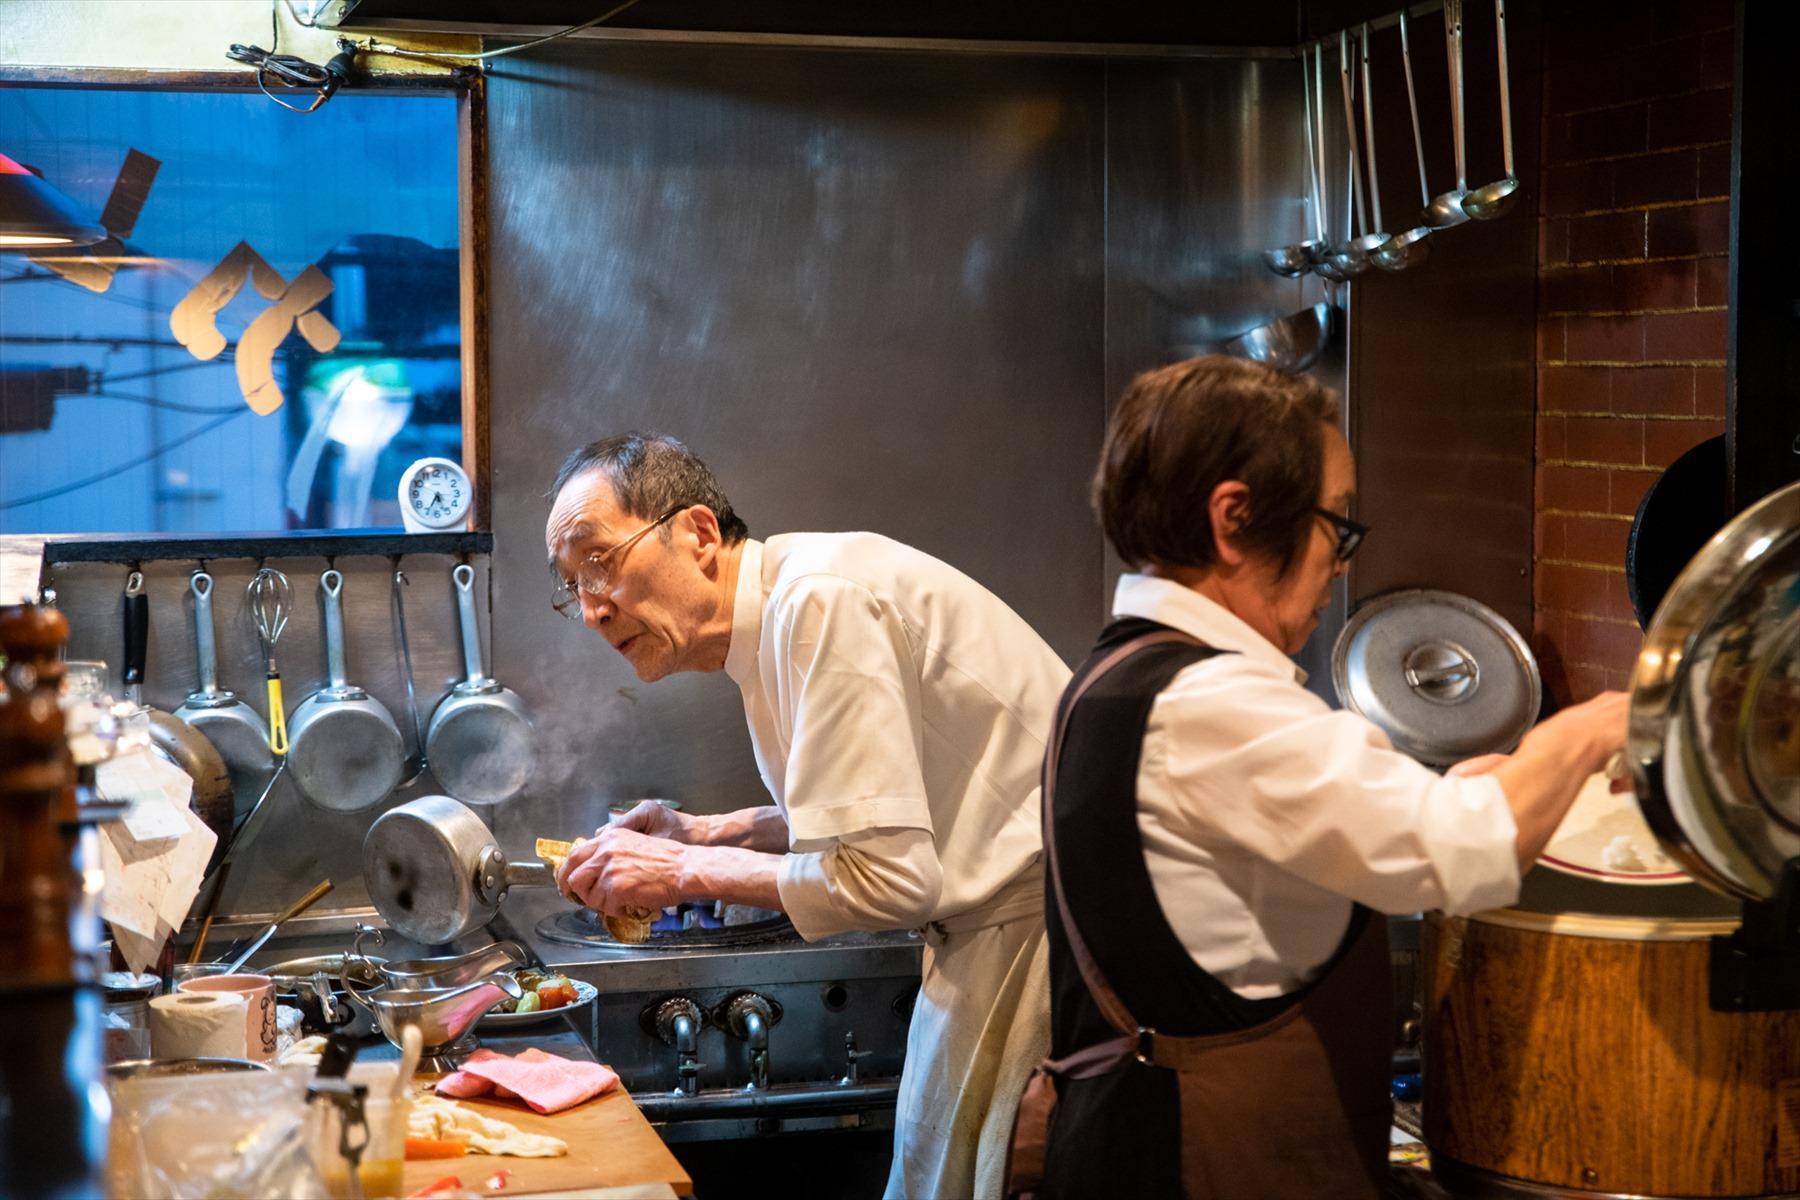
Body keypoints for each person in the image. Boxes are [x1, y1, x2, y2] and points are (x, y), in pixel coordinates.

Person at [1015, 357, 1627, 1199]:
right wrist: (1597, 727)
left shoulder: (1122, 674)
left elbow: (1345, 824)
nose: (1340, 563)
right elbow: (1453, 851)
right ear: (1234, 519)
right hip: (1207, 1164)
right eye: (1334, 523)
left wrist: (1516, 772)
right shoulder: (1214, 703)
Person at [544, 432, 1070, 1200]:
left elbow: (891, 879)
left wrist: (682, 868)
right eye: (571, 586)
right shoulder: (783, 614)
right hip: (995, 940)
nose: (591, 610)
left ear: (696, 533)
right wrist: (707, 831)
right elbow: (870, 809)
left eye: (600, 563)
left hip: (1038, 945)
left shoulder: (818, 604)